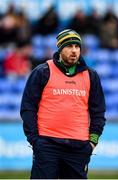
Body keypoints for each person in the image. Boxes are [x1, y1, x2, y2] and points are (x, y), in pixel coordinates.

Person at [20, 29, 106, 179]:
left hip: (79, 148)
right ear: (60, 49)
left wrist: (92, 142)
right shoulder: (42, 72)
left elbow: (98, 112)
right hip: (47, 146)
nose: (74, 51)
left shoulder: (91, 76)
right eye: (69, 46)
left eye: (77, 47)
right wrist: (35, 140)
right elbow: (28, 108)